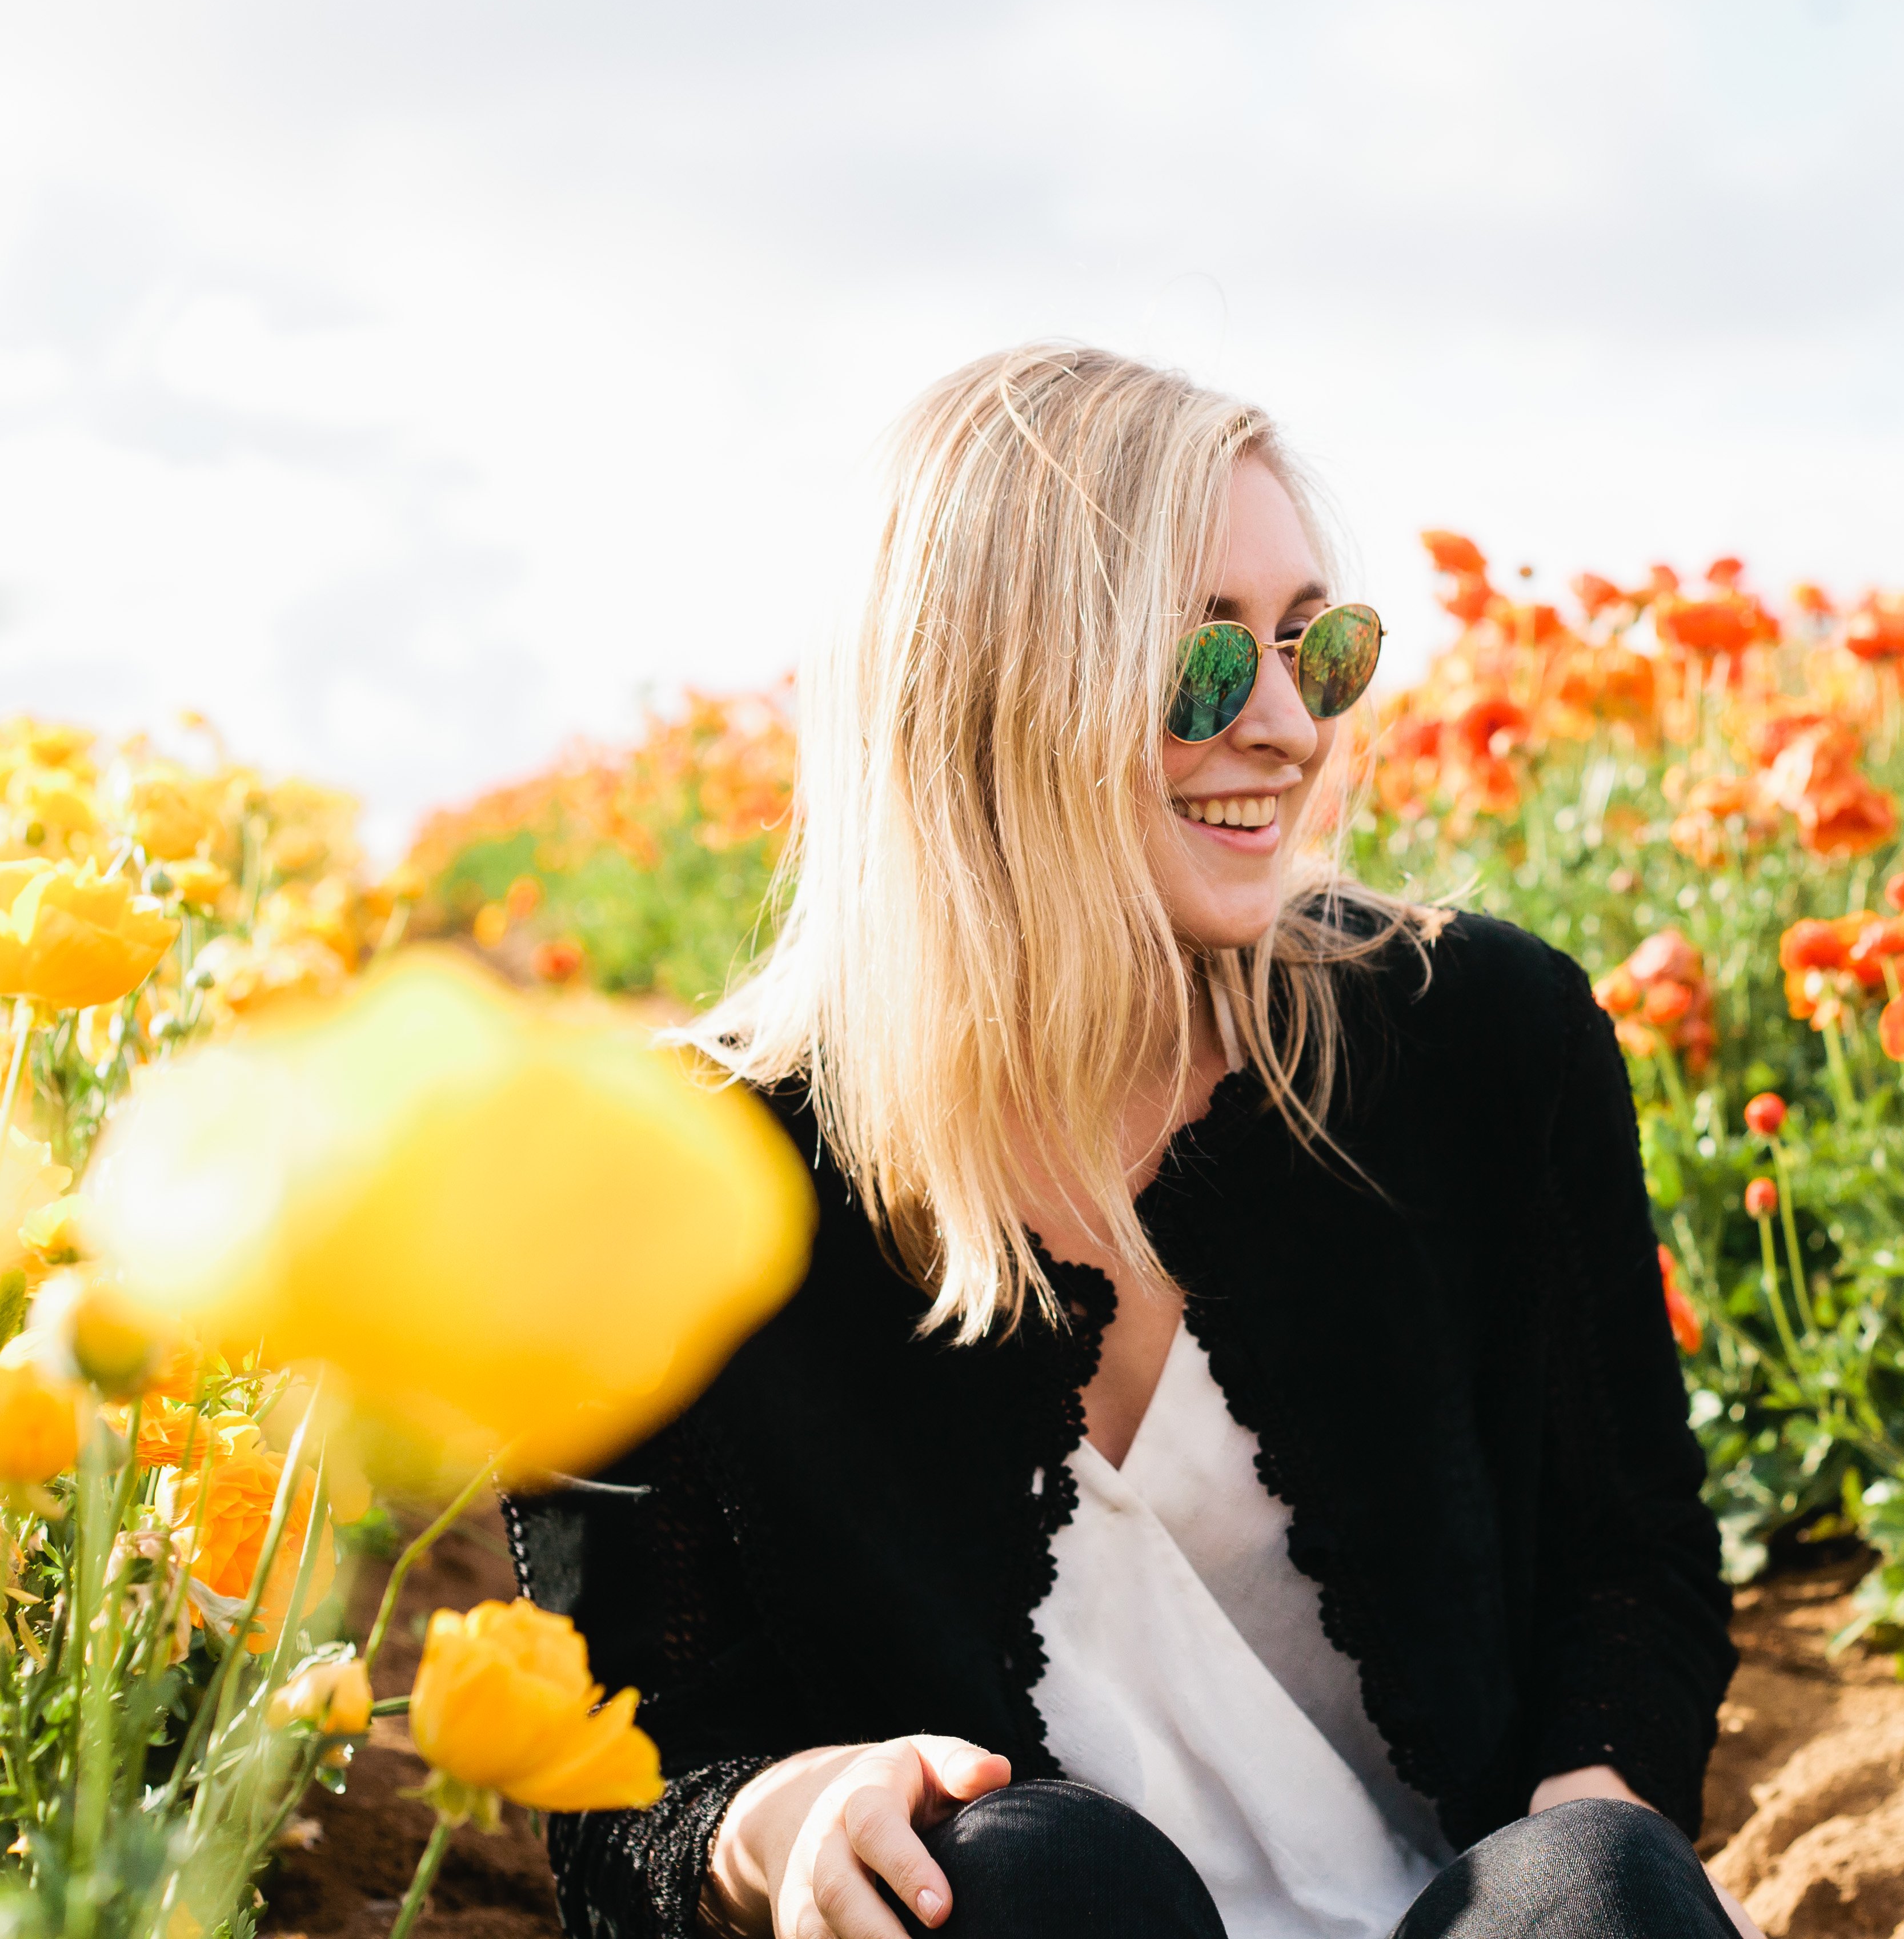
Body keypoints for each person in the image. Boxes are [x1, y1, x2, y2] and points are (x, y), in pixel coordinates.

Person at [505, 347, 1743, 1939]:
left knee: (1592, 1887)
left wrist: (1593, 1838)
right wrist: (781, 1824)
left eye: (1316, 649)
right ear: (979, 694)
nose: (1289, 729)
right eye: (1202, 664)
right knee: (1024, 1884)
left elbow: (1631, 1556)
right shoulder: (660, 1194)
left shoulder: (1479, 1041)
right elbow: (621, 1797)